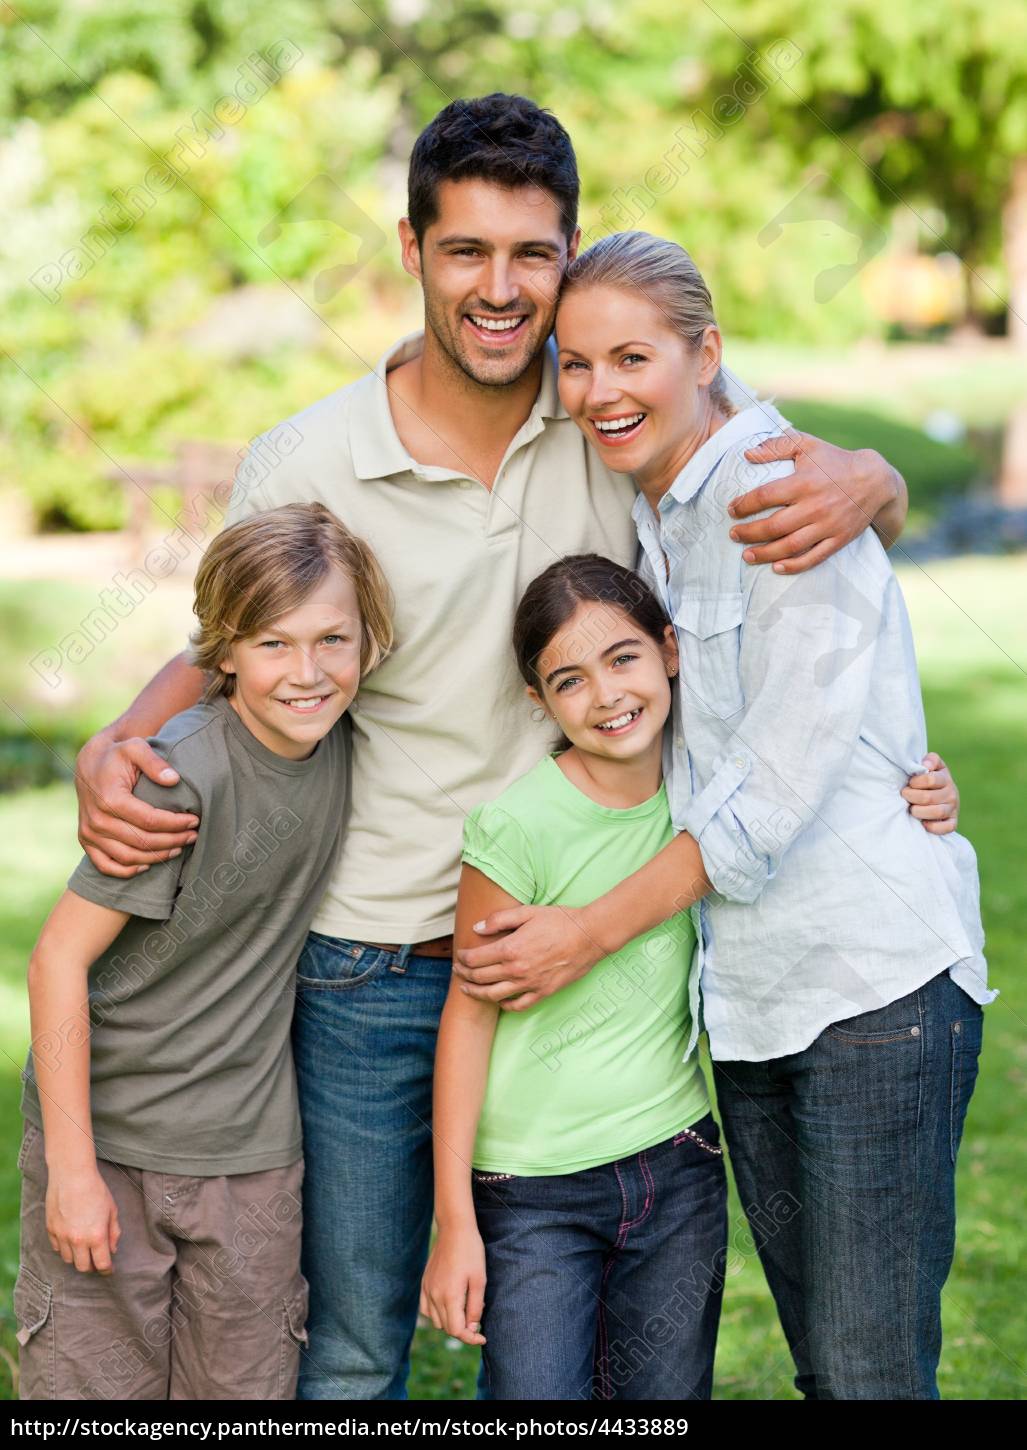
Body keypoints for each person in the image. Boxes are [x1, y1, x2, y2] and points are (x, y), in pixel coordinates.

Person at [70, 95, 957, 1399]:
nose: (498, 289)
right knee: (357, 1343)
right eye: (463, 251)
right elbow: (232, 643)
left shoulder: (608, 407)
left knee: (619, 1342)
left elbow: (769, 464)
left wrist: (872, 475)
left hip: (602, 954)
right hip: (368, 969)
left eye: (530, 253)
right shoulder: (307, 459)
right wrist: (119, 736)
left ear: (569, 253)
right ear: (411, 248)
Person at [457, 231, 995, 1399]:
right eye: (578, 363)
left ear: (705, 353)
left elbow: (768, 801)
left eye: (632, 358)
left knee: (866, 1374)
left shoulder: (776, 492)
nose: (600, 392)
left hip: (872, 986)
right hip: (751, 1003)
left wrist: (582, 932)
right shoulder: (665, 498)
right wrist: (883, 476)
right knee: (828, 1369)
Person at [16, 503, 391, 1399]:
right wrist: (72, 1171)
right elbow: (55, 960)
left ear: (370, 640)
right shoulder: (175, 781)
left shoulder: (343, 737)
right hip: (113, 1143)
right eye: (271, 645)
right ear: (221, 655)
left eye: (332, 640)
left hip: (252, 1154)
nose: (307, 673)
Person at [421, 556, 726, 1400]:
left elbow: (809, 793)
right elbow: (468, 1017)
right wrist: (455, 1223)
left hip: (675, 1164)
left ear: (668, 651)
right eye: (569, 679)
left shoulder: (705, 792)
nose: (606, 695)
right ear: (540, 702)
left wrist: (920, 792)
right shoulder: (517, 827)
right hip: (530, 1193)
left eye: (622, 658)